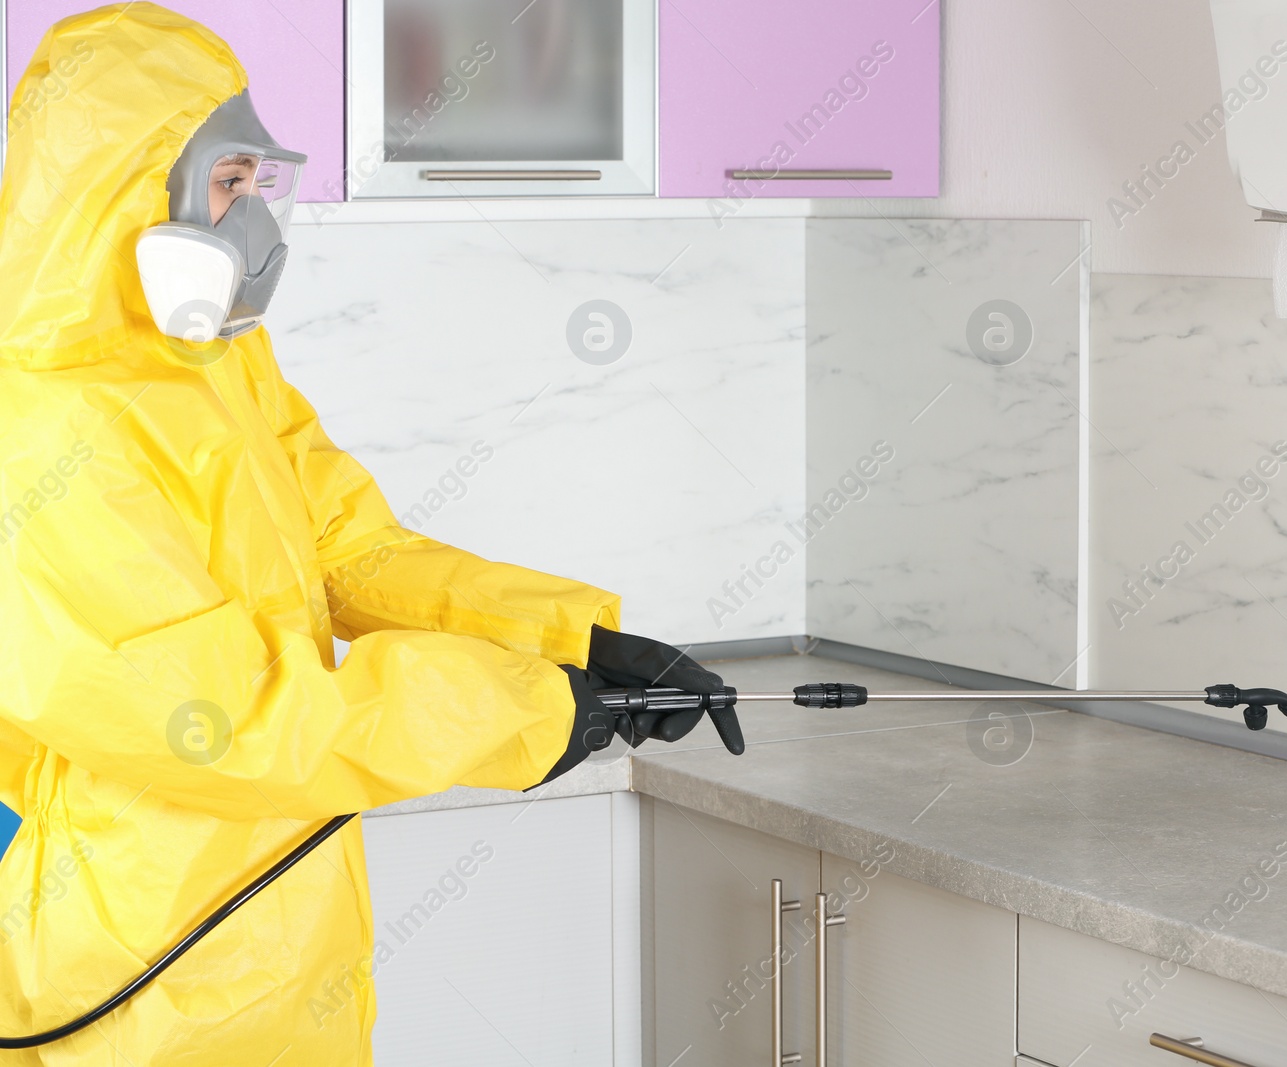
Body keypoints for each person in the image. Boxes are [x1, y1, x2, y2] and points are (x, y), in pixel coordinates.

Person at [0, 6, 737, 1063]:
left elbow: (351, 550)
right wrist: (522, 711)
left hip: (284, 934)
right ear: (127, 188)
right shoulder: (36, 428)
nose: (250, 217)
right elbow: (231, 719)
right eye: (226, 181)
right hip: (138, 976)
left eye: (255, 181)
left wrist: (569, 641)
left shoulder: (209, 363)